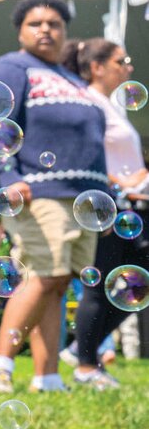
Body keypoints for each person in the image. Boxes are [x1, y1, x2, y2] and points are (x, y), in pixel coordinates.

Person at [0, 0, 109, 394]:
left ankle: (47, 376)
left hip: (82, 195)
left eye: (54, 23)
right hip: (38, 191)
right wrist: (5, 177)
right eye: (36, 23)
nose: (46, 29)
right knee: (45, 272)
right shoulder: (11, 69)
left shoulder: (70, 78)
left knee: (58, 281)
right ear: (20, 29)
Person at [58, 37, 147, 389]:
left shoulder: (111, 106)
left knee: (137, 283)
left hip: (131, 206)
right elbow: (81, 157)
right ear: (96, 67)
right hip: (105, 207)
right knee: (98, 287)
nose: (129, 68)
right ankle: (85, 365)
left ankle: (84, 347)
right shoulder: (86, 102)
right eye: (120, 61)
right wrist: (120, 181)